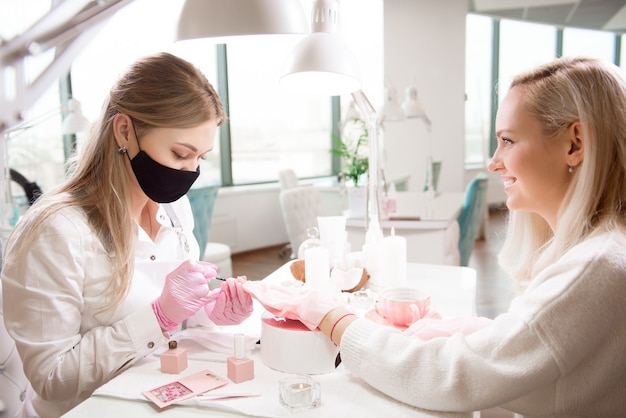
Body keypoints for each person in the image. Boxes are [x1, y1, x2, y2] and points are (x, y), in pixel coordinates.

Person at [245, 56, 626, 417]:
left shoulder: (594, 267)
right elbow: (542, 355)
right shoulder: (603, 250)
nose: (493, 162)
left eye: (508, 141)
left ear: (575, 144)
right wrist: (481, 334)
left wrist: (332, 318)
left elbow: (451, 378)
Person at [1, 52, 253, 417]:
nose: (191, 171)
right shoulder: (56, 230)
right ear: (124, 131)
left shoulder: (174, 210)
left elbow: (177, 323)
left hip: (156, 397)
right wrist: (160, 316)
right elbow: (51, 377)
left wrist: (210, 311)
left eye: (202, 157)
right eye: (181, 154)